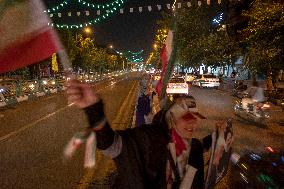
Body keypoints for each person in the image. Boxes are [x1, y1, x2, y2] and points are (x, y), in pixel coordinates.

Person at [66, 79, 224, 189]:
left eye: (195, 118)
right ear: (171, 119)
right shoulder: (147, 138)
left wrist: (218, 135)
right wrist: (93, 108)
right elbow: (110, 144)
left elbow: (200, 147)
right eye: (187, 118)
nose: (193, 123)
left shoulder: (193, 144)